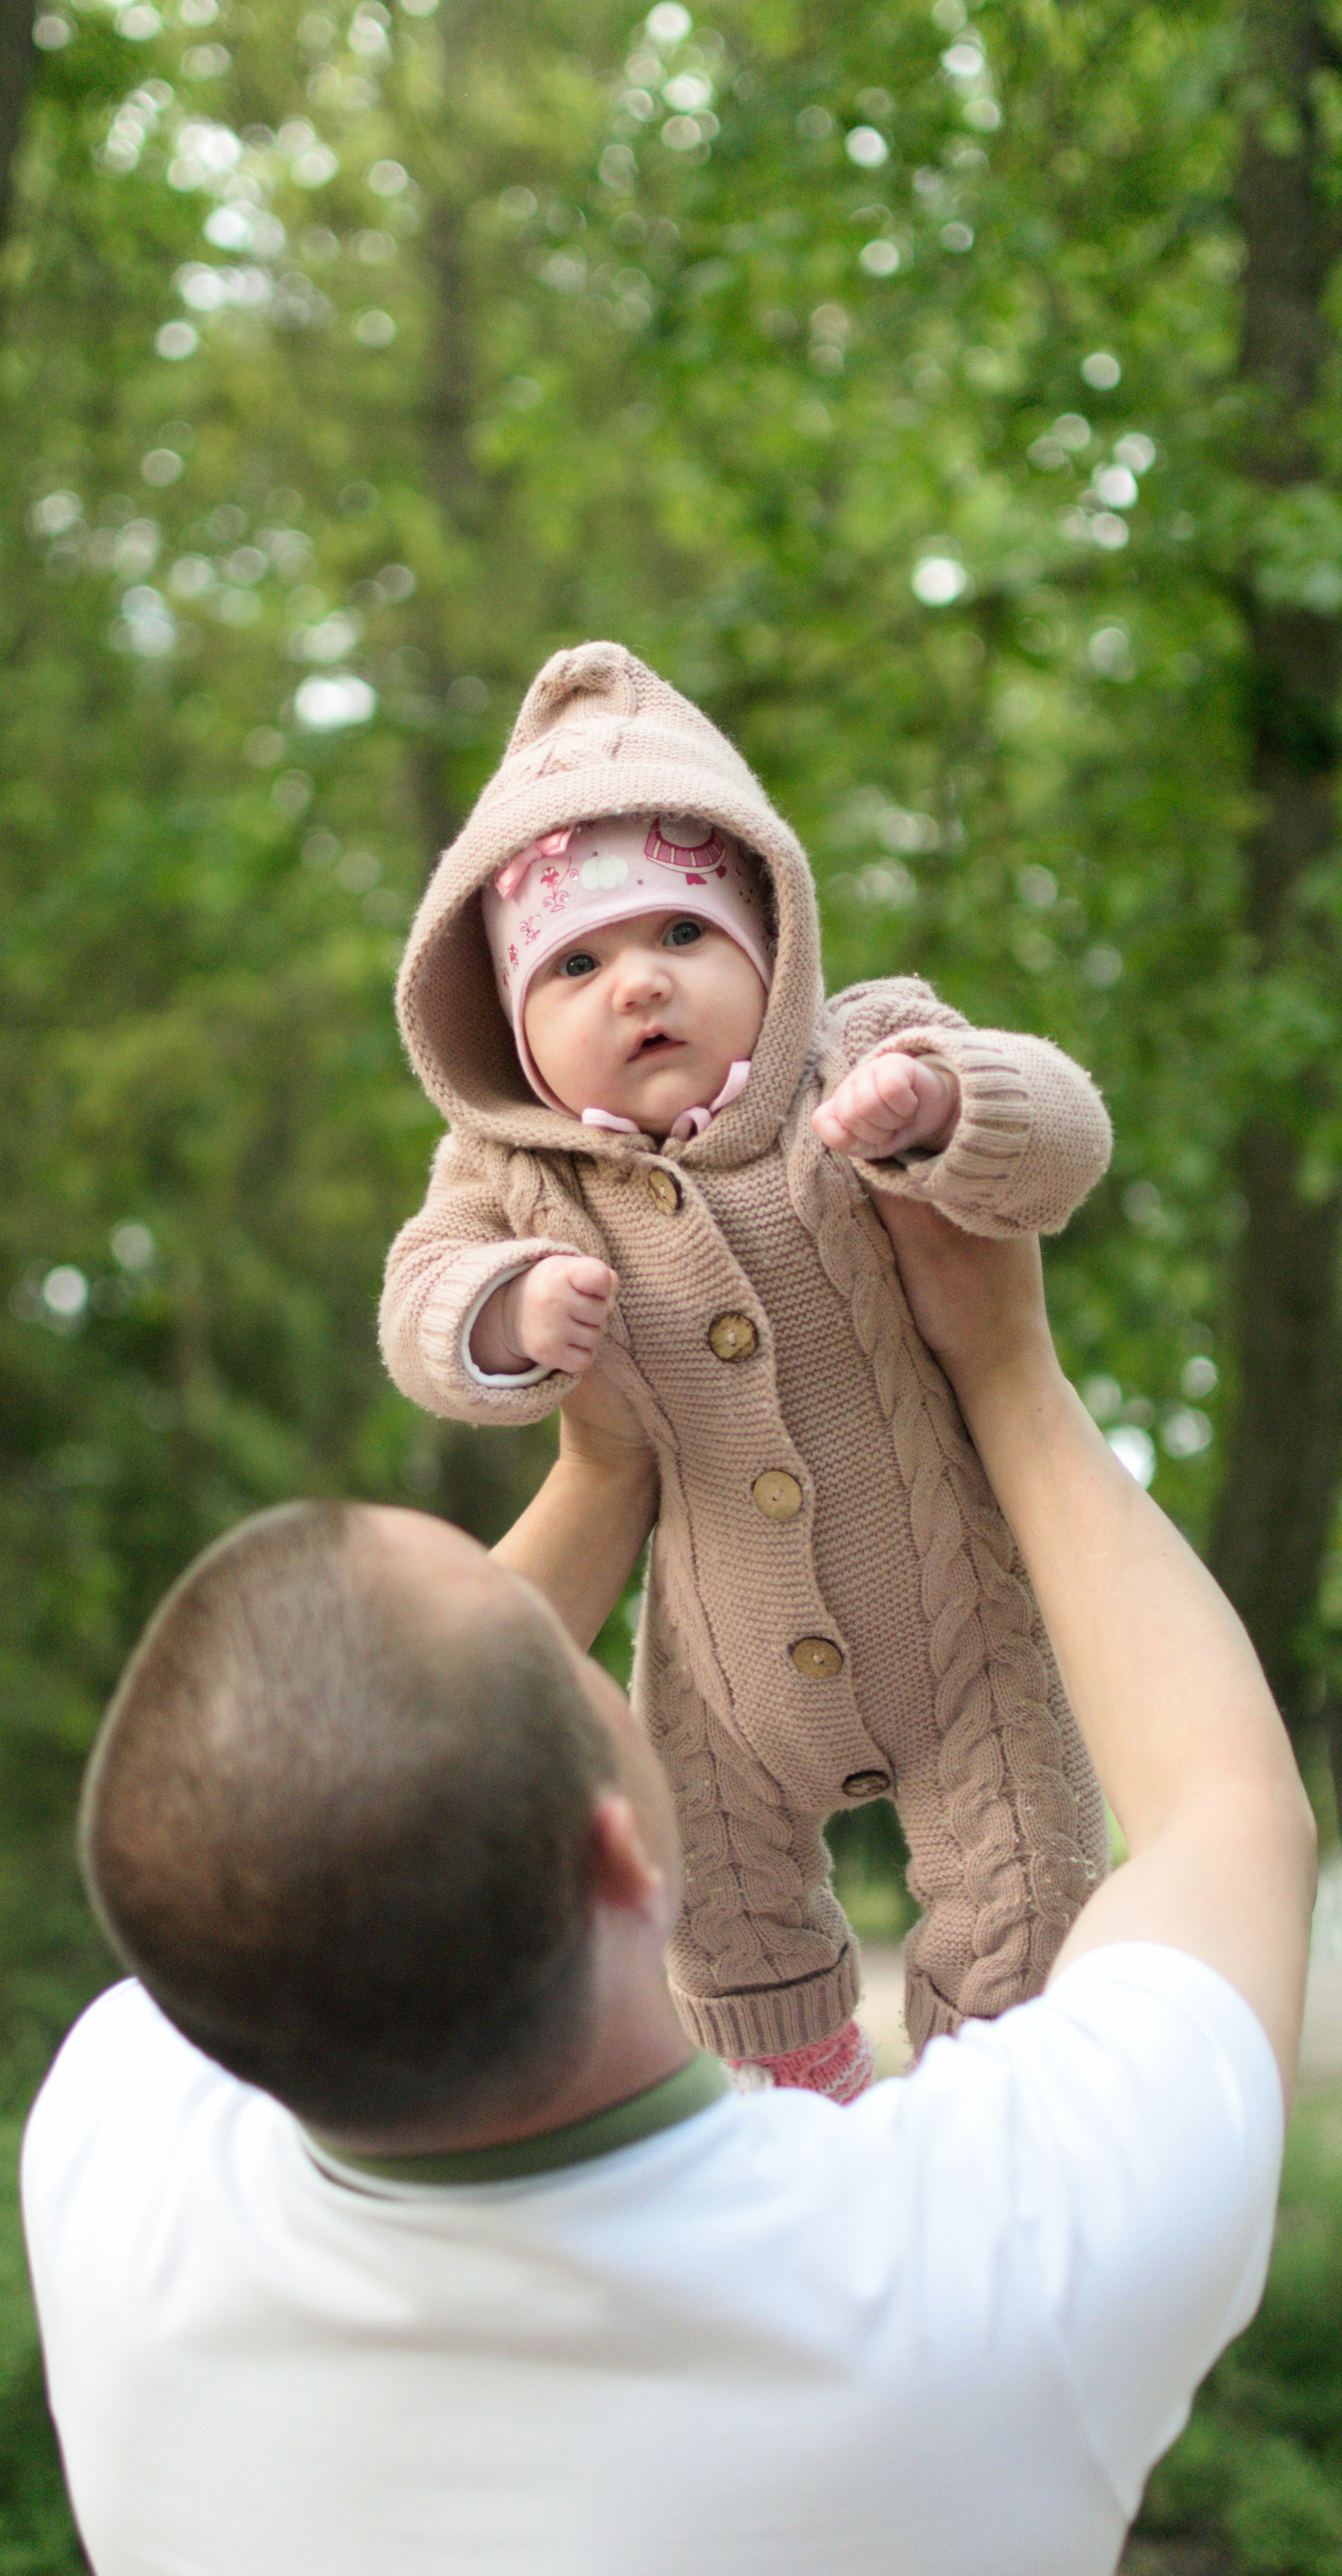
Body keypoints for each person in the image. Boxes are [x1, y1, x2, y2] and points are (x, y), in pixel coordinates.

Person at [21, 1202, 1315, 2576]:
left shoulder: (118, 2168)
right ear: (620, 1860)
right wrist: (1008, 1369)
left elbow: (300, 1805)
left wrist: (606, 1461)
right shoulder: (980, 2269)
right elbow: (1222, 1810)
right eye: (564, 1653)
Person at [382, 636, 1115, 2096]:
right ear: (510, 1035)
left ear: (769, 945)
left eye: (681, 935)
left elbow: (1065, 1135)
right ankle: (805, 2113)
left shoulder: (862, 1052)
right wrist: (505, 1311)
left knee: (1023, 1891)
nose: (636, 983)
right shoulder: (515, 1176)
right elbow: (417, 1301)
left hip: (957, 1624)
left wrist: (944, 1106)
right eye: (575, 964)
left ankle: (988, 2128)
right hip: (718, 1675)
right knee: (715, 1915)